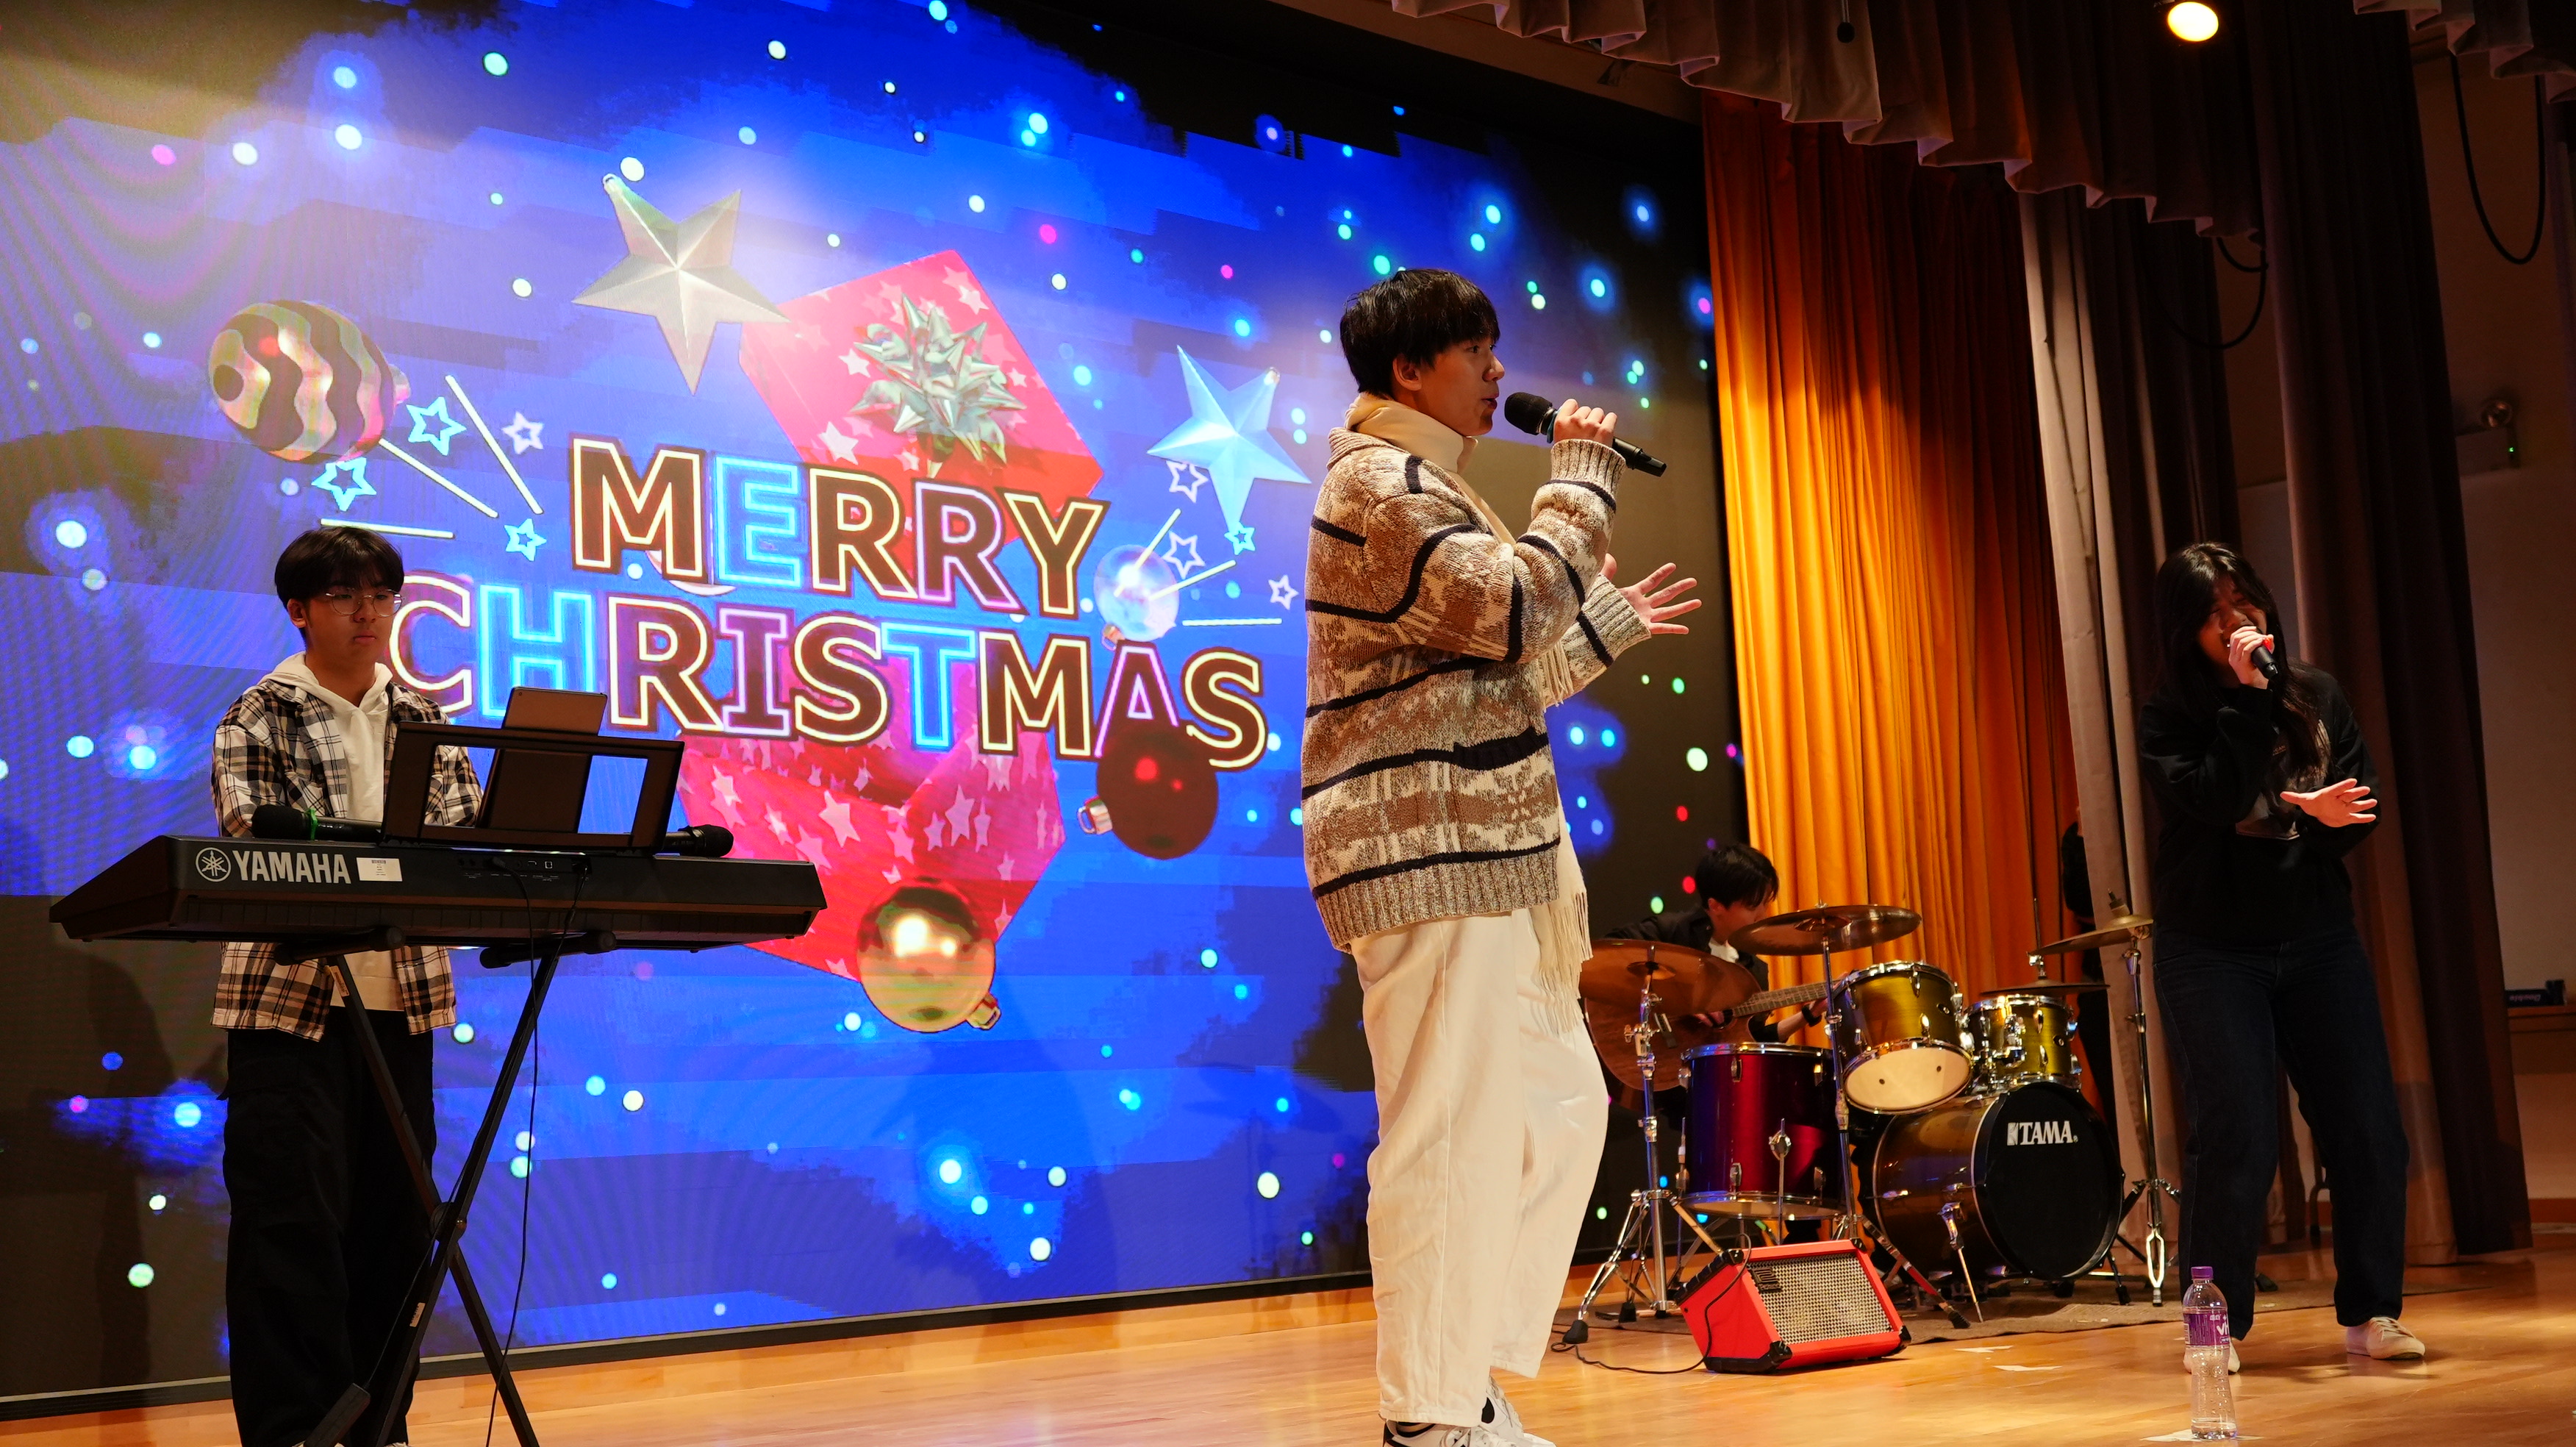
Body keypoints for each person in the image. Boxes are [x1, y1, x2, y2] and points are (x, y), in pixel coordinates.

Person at [1302, 268, 1699, 1447]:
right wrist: (1578, 482)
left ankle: (1460, 1375)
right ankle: (1430, 1412)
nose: (1499, 374)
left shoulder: (1431, 488)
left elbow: (1490, 682)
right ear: (1411, 368)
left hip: (1492, 853)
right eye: (1478, 353)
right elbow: (1514, 608)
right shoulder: (1374, 483)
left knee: (1562, 1109)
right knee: (1450, 1129)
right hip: (1426, 854)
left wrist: (1602, 629)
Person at [213, 526, 483, 1447]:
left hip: (403, 1004)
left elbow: (464, 836)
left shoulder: (422, 716)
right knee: (290, 1231)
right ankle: (297, 1433)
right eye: (343, 596)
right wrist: (386, 856)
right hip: (291, 1008)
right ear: (300, 610)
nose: (367, 613)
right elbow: (252, 835)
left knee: (396, 1234)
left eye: (380, 595)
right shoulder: (261, 712)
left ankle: (378, 1431)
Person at [2139, 542, 2421, 1372]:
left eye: (2245, 601)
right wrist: (2249, 702)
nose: (2239, 621)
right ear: (2186, 631)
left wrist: (2327, 819)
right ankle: (2212, 1327)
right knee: (2237, 1137)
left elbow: (2362, 805)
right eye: (2215, 613)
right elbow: (2220, 799)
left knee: (2367, 1127)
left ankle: (2373, 1312)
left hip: (2317, 937)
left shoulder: (2318, 693)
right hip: (2211, 949)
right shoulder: (2171, 715)